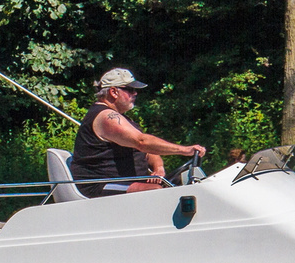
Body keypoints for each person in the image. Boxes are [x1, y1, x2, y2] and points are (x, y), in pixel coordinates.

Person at [71, 68, 206, 197]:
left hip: (124, 182)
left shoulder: (120, 117)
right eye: (130, 89)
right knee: (157, 191)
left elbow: (147, 151)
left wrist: (158, 167)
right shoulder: (107, 117)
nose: (135, 93)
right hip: (99, 185)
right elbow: (142, 142)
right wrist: (184, 150)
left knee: (181, 181)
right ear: (113, 92)